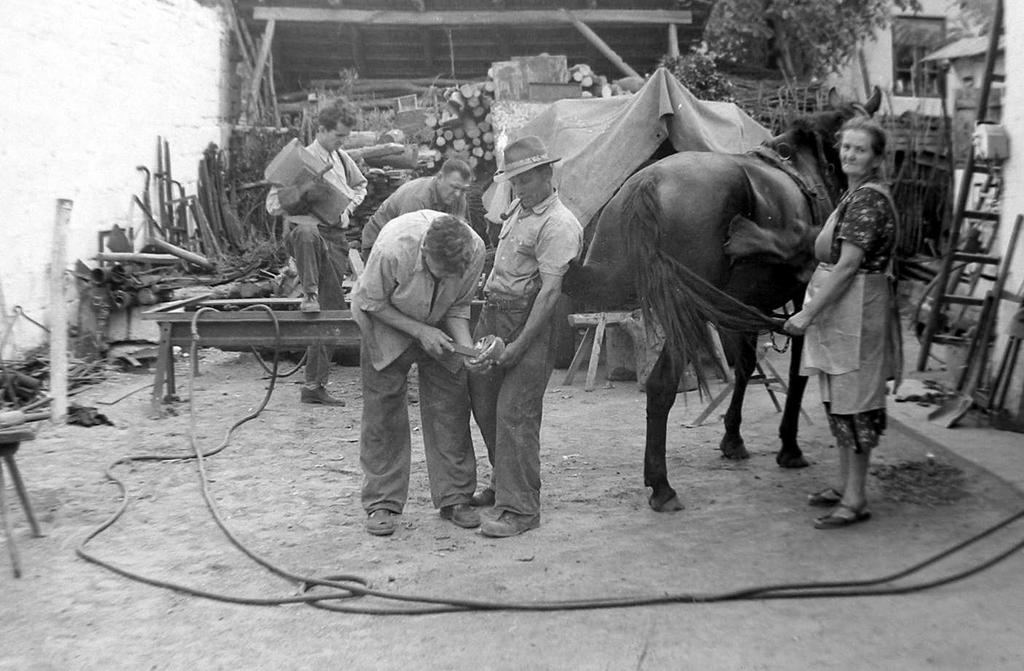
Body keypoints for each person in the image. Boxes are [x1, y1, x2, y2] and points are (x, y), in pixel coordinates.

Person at [783, 117, 902, 529]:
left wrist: (807, 313)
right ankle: (842, 484)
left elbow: (849, 264)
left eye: (861, 149)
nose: (850, 154)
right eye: (846, 147)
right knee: (839, 403)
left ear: (877, 157)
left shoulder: (868, 200)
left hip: (859, 311)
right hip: (843, 312)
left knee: (856, 407)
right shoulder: (852, 195)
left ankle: (856, 498)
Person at [468, 136, 583, 538]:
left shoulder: (560, 224)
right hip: (494, 314)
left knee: (515, 412)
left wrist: (519, 346)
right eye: (514, 182)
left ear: (547, 174)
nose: (519, 188)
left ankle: (521, 509)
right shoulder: (517, 208)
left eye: (527, 180)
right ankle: (505, 482)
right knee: (482, 400)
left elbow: (550, 293)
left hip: (530, 321)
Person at [351, 210, 486, 537]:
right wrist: (419, 332)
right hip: (384, 315)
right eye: (439, 272)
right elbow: (371, 301)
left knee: (452, 403)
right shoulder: (393, 249)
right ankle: (382, 500)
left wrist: (467, 351)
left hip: (439, 318)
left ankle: (455, 495)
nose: (445, 278)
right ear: (425, 252)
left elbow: (457, 306)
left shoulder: (475, 250)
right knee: (383, 409)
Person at [266, 103, 368, 406]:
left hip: (336, 238)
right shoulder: (298, 160)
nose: (342, 142)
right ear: (321, 130)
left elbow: (361, 186)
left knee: (333, 310)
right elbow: (272, 206)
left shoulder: (342, 158)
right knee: (308, 234)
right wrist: (298, 194)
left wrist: (347, 206)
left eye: (346, 137)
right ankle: (308, 293)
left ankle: (313, 385)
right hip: (307, 234)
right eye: (337, 136)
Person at [360, 158, 473, 261]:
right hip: (380, 243)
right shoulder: (417, 199)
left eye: (463, 189)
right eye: (454, 187)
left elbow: (460, 233)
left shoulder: (459, 196)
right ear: (439, 178)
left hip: (415, 242)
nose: (458, 194)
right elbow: (406, 244)